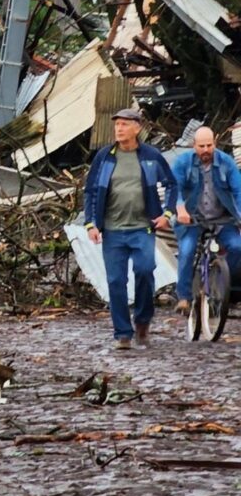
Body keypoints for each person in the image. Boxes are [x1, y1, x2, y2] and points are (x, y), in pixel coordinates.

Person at [84, 108, 177, 350]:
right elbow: (91, 191)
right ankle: (123, 334)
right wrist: (90, 223)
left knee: (145, 271)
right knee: (116, 281)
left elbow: (171, 184)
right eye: (117, 125)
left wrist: (167, 213)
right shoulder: (105, 157)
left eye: (125, 124)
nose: (119, 129)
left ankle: (143, 323)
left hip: (142, 228)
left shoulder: (150, 156)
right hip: (113, 231)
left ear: (137, 127)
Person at [171, 126, 241, 314]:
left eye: (209, 145)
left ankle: (222, 285)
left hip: (222, 219)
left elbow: (238, 190)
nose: (205, 150)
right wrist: (179, 208)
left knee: (237, 247)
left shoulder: (226, 163)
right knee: (187, 251)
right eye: (201, 146)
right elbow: (173, 188)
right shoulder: (183, 162)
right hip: (193, 219)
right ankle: (184, 297)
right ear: (194, 145)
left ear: (215, 143)